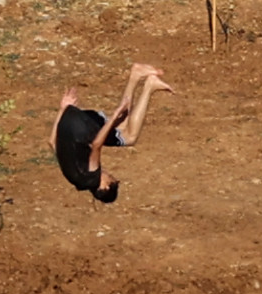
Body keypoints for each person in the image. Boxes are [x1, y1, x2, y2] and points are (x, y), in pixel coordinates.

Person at [51, 63, 173, 203]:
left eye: (110, 178)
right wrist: (63, 109)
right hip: (70, 118)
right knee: (122, 128)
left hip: (82, 126)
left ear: (105, 187)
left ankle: (149, 86)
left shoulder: (92, 178)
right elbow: (52, 142)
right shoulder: (74, 178)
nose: (107, 173)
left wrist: (115, 116)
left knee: (129, 136)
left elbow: (97, 145)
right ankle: (136, 76)